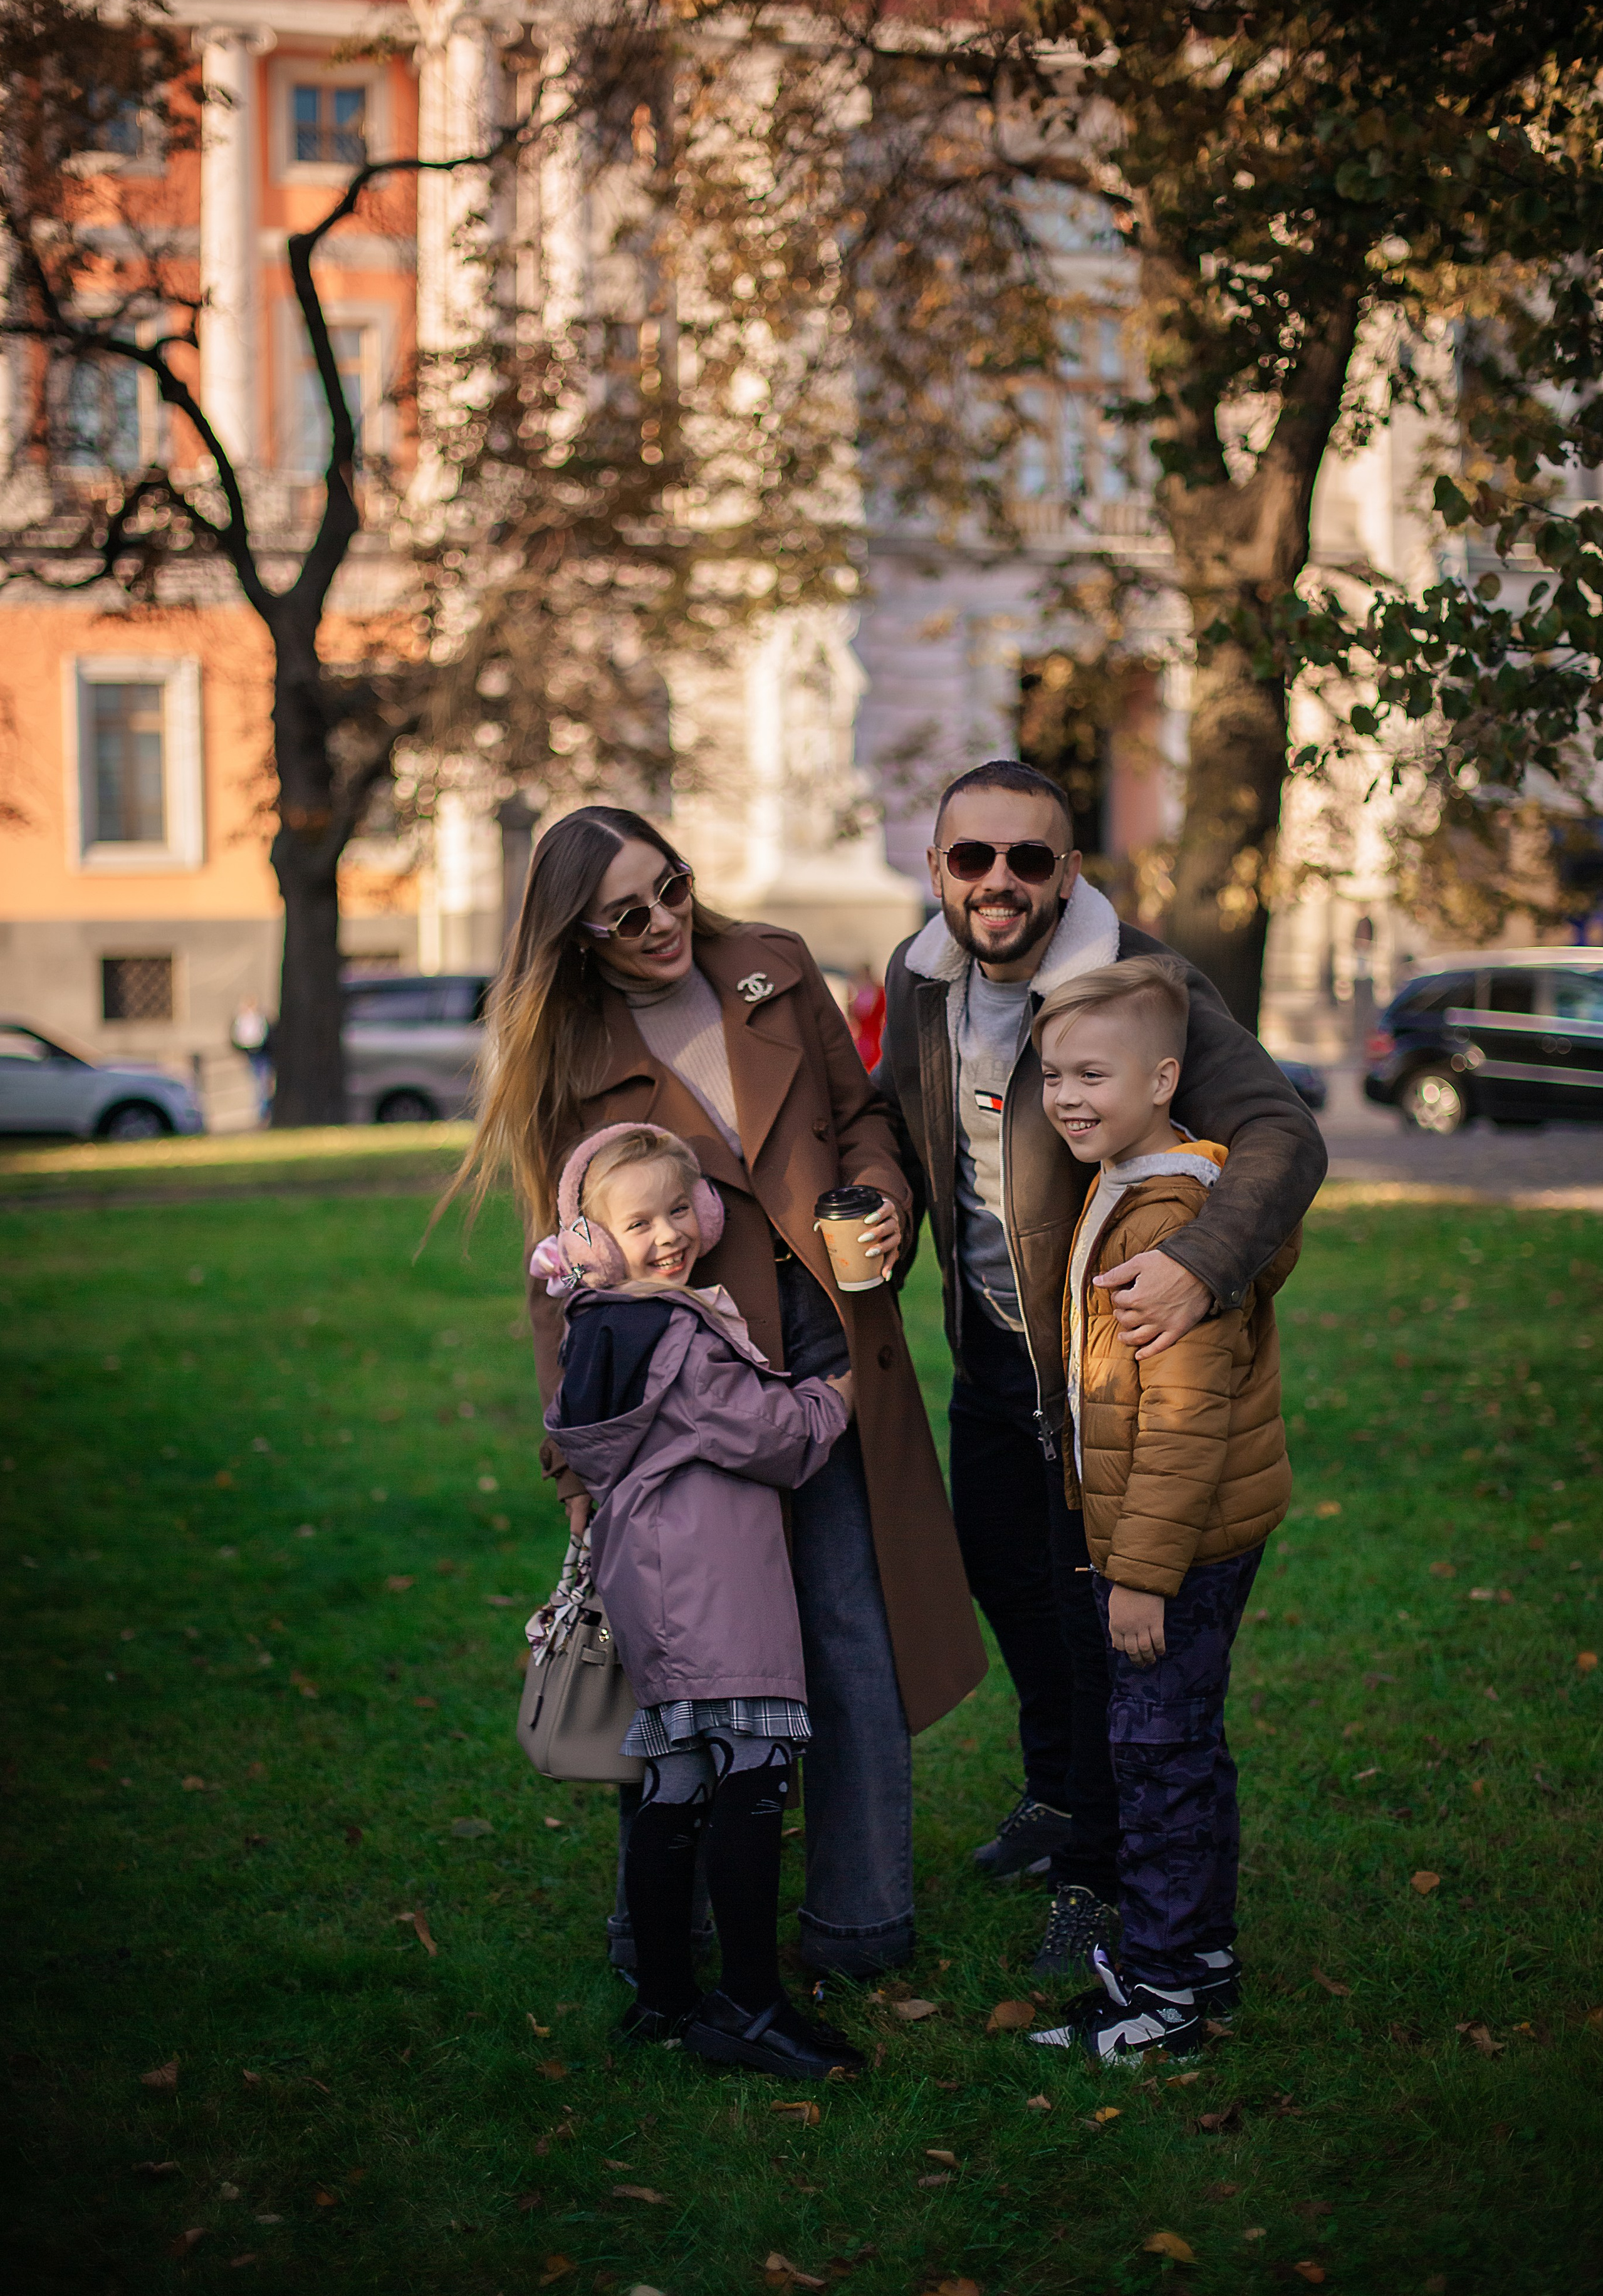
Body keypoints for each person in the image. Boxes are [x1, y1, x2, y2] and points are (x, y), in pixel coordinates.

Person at [452, 804, 985, 1983]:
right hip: (677, 1371)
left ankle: (860, 1924)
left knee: (849, 1628)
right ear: (575, 936)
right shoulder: (564, 1053)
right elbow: (557, 1275)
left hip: (824, 1335)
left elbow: (860, 1119)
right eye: (624, 915)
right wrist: (575, 1456)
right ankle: (664, 1939)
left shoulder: (770, 966)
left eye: (672, 887)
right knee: (684, 1656)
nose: (661, 922)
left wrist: (880, 1197)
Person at [875, 761, 1323, 1982]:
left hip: (1104, 1376)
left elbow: (1281, 1132)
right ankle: (1061, 1791)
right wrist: (870, 1195)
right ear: (937, 869)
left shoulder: (1138, 983)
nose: (999, 882)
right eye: (972, 858)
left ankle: (1094, 1874)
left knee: (1095, 1623)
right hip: (990, 1356)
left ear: (1067, 872)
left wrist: (1199, 1260)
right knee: (1005, 1576)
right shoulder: (918, 981)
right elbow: (894, 1119)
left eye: (1029, 859)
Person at [538, 1121, 867, 2079]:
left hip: (656, 1583)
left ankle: (665, 1997)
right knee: (753, 1770)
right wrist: (836, 1395)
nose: (671, 1234)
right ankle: (750, 2005)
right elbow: (773, 1437)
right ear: (593, 1243)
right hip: (716, 1582)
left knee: (676, 1781)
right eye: (639, 1222)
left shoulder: (600, 1328)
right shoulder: (675, 1336)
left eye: (680, 1209)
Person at [1025, 958, 1295, 2060]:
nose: (1065, 1097)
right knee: (1181, 1745)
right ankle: (1203, 1957)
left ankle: (1166, 1995)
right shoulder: (1130, 1181)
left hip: (1172, 1548)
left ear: (1164, 1079)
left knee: (1155, 1761)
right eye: (1052, 1076)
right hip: (1177, 1533)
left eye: (1092, 1074)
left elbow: (1182, 1426)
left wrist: (1138, 1575)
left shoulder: (1170, 1219)